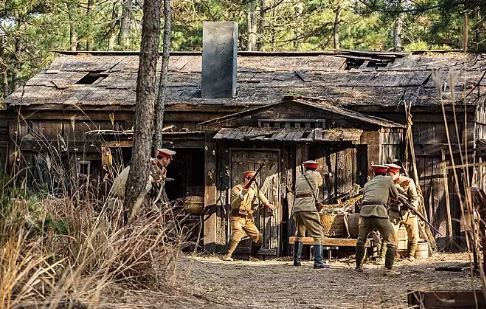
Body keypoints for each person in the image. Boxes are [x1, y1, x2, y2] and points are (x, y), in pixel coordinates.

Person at [355, 164, 399, 275]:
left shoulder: (367, 183)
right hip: (380, 213)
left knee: (361, 240)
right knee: (392, 242)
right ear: (385, 173)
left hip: (365, 213)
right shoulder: (388, 180)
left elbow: (365, 196)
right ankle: (388, 269)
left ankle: (358, 266)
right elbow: (396, 196)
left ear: (374, 173)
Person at [222, 170, 275, 261]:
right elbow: (233, 205)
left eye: (254, 180)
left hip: (247, 217)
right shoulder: (236, 189)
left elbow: (260, 195)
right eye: (251, 179)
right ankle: (227, 255)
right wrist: (242, 195)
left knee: (258, 237)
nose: (253, 182)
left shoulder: (253, 190)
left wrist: (267, 204)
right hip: (236, 216)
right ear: (246, 179)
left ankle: (253, 257)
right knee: (237, 232)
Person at [292, 160, 329, 269]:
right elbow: (320, 184)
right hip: (308, 207)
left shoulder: (299, 177)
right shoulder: (316, 175)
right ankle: (318, 261)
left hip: (297, 208)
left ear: (305, 167)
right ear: (315, 167)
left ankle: (296, 260)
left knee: (299, 233)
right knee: (318, 234)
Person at [110, 148, 176, 203]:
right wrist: (154, 181)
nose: (170, 162)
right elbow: (142, 191)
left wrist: (161, 179)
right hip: (122, 200)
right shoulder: (146, 168)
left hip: (123, 198)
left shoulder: (147, 164)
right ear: (164, 159)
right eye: (169, 159)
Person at [386, 163, 420, 261]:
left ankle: (410, 256)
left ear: (396, 173)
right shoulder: (387, 182)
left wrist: (412, 207)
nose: (389, 177)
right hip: (394, 212)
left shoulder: (408, 181)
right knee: (389, 235)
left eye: (390, 174)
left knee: (414, 235)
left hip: (408, 212)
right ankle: (384, 257)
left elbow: (414, 198)